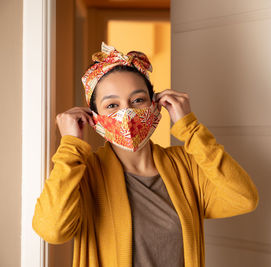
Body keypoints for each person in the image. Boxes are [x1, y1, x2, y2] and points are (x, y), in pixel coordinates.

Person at [32, 42, 259, 267]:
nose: (127, 113)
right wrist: (71, 146)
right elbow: (52, 230)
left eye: (138, 100)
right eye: (112, 105)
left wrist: (190, 129)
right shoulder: (84, 173)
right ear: (94, 117)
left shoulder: (185, 166)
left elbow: (244, 199)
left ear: (155, 104)